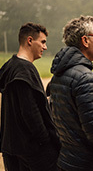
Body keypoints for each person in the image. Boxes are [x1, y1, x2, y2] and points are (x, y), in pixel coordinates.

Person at [48, 16, 93, 170]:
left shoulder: (59, 75)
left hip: (69, 160)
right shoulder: (85, 78)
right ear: (85, 41)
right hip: (90, 164)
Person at [0, 23, 60, 170]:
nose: (45, 47)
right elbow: (30, 113)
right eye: (43, 42)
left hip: (12, 148)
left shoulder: (10, 66)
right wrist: (46, 143)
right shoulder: (24, 69)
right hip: (30, 152)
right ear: (30, 40)